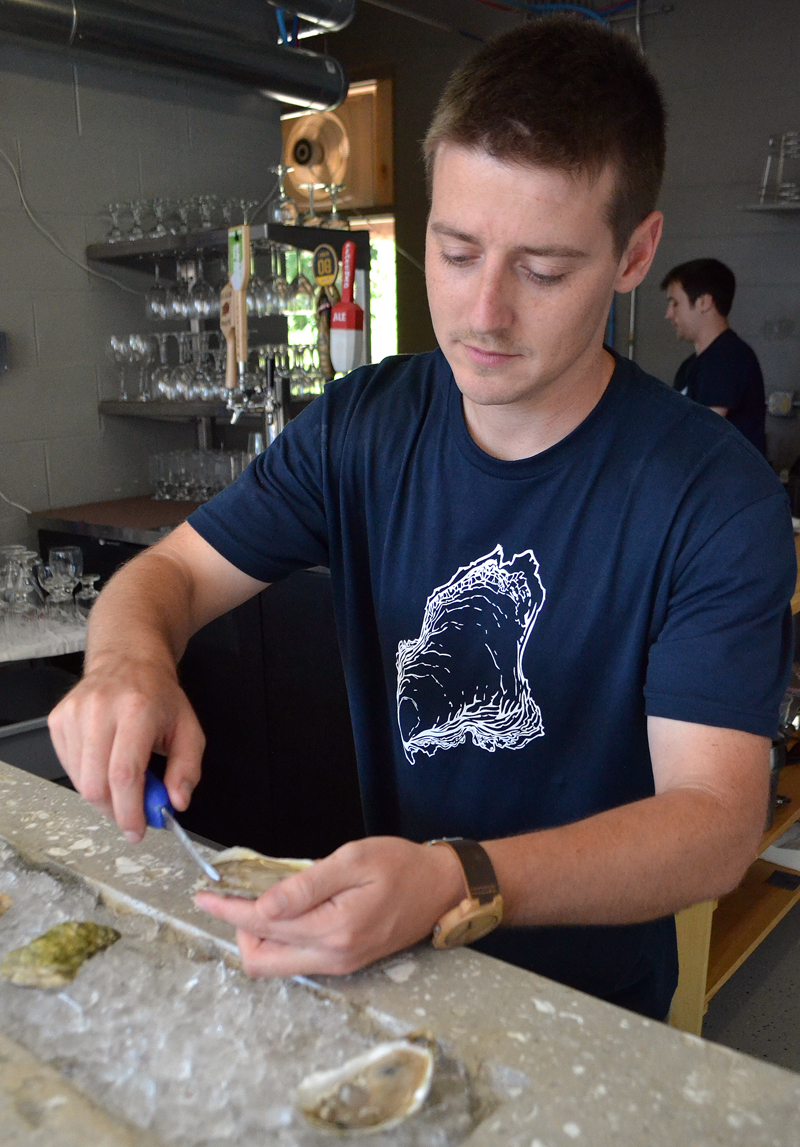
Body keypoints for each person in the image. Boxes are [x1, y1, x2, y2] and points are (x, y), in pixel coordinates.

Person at [48, 17, 795, 1022]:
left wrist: (455, 879)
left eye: (540, 270)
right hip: (389, 973)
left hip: (591, 1009)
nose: (481, 313)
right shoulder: (363, 425)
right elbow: (166, 578)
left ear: (634, 254)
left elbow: (709, 824)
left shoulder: (710, 494)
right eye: (453, 251)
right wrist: (126, 664)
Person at [662, 258, 767, 454]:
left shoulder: (727, 357)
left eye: (675, 303)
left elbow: (700, 435)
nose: (669, 313)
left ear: (704, 302)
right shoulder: (690, 366)